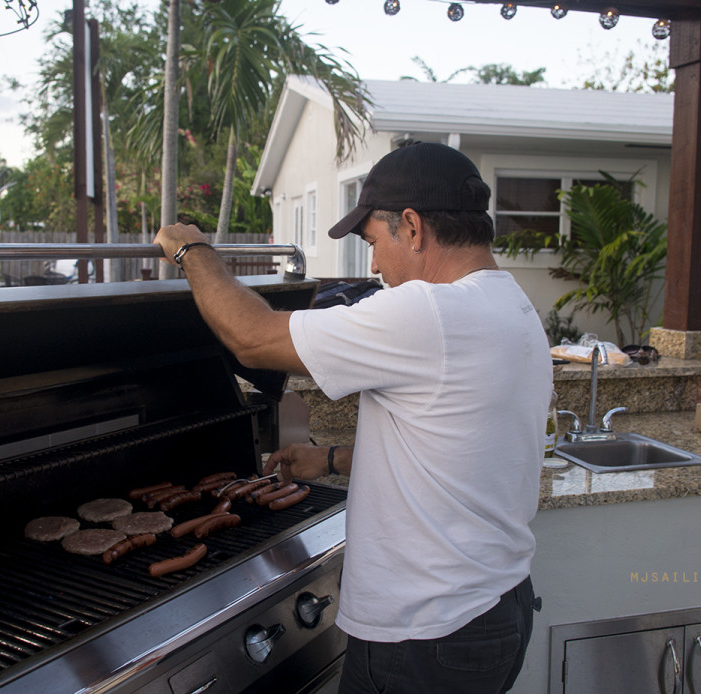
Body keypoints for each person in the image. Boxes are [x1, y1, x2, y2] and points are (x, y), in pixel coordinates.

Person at [155, 142, 552, 694]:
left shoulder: (427, 312)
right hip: (495, 611)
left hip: (424, 638)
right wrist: (334, 458)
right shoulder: (512, 305)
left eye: (372, 242)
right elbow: (458, 444)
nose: (373, 265)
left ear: (412, 227)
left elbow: (250, 338)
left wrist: (192, 251)